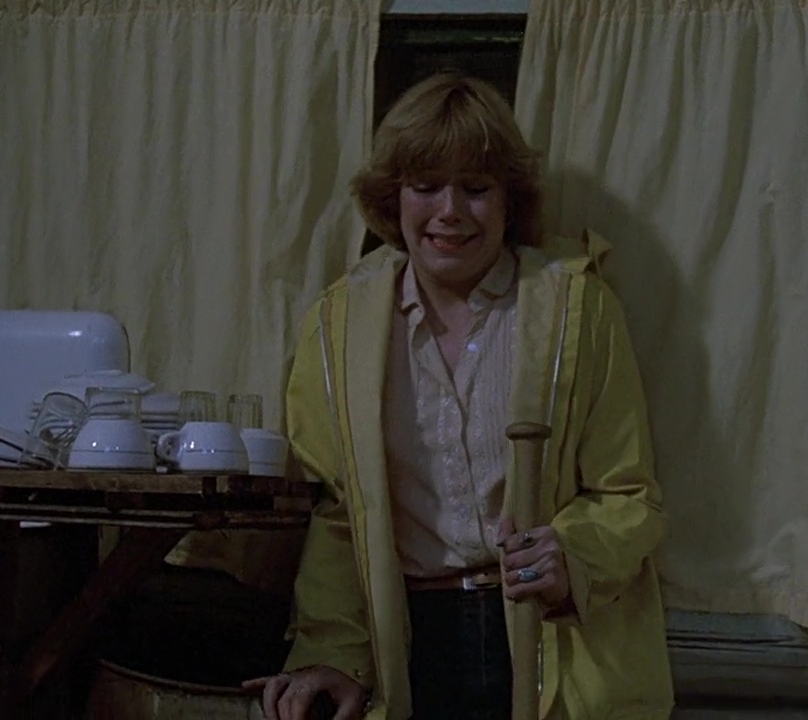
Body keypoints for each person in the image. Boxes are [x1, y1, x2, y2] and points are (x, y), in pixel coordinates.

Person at [243, 72, 673, 719]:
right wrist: (333, 652)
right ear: (392, 197)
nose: (450, 211)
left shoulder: (574, 308)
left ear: (508, 200)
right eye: (425, 186)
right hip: (408, 638)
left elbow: (628, 492)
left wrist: (572, 557)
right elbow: (338, 515)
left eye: (475, 188)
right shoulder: (340, 325)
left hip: (550, 639)